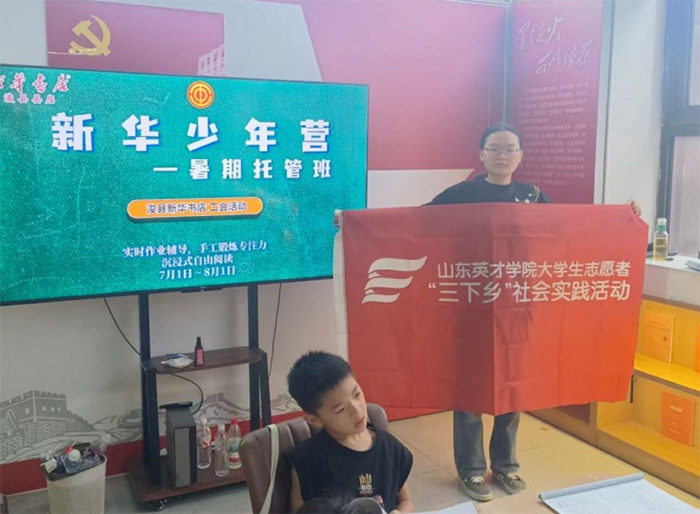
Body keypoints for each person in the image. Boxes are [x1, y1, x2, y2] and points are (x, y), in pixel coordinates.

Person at [426, 122, 640, 502]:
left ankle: (505, 465)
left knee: (513, 388)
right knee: (471, 389)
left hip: (518, 304)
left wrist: (623, 216)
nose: (502, 155)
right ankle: (471, 471)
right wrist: (356, 223)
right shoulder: (463, 193)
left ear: (521, 155)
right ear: (481, 154)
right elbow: (415, 222)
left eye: (510, 149)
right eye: (495, 148)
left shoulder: (533, 195)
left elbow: (569, 227)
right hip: (474, 303)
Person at [287, 351, 414, 514]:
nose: (357, 410)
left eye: (357, 394)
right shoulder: (307, 459)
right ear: (314, 419)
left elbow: (406, 500)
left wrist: (400, 512)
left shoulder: (389, 447)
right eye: (340, 409)